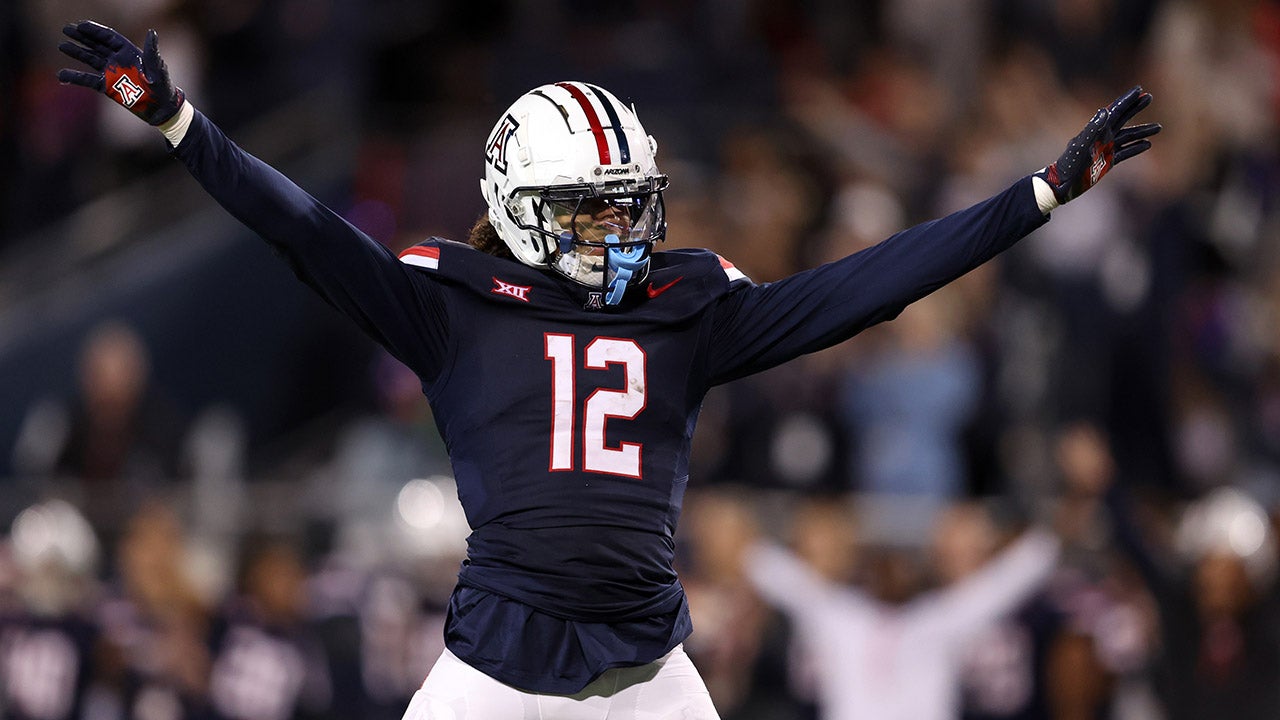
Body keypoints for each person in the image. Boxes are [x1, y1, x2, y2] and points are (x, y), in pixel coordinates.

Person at [56, 19, 1161, 720]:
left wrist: (1040, 194)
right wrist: (178, 121)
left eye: (624, 202)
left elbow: (866, 285)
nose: (615, 228)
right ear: (514, 209)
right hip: (491, 678)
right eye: (586, 206)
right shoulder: (450, 307)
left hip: (645, 679)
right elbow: (300, 225)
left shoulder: (688, 310)